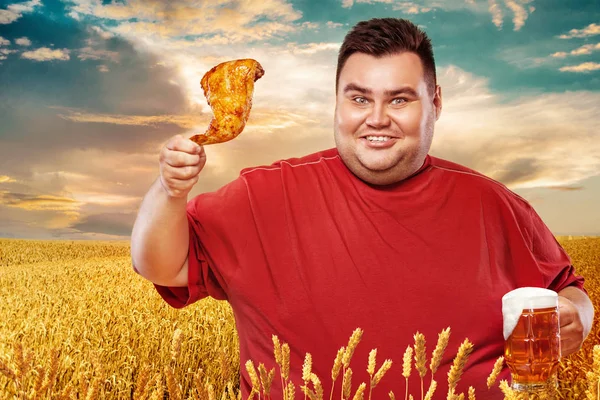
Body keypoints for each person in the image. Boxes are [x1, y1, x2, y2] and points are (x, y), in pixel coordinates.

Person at [131, 18, 594, 399]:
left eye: (399, 99)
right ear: (337, 103)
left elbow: (569, 292)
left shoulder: (495, 204)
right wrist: (170, 191)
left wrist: (577, 317)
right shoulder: (261, 196)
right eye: (359, 99)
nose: (377, 118)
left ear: (435, 103)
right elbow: (160, 264)